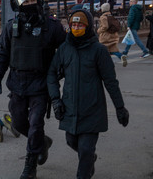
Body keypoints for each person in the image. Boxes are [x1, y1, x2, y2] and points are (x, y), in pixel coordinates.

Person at [0, 0, 66, 179]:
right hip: (17, 83)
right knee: (18, 123)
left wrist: (60, 72)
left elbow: (68, 52)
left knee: (35, 125)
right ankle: (43, 142)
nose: (30, 2)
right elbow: (2, 55)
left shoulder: (52, 27)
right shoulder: (11, 27)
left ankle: (30, 165)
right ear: (18, 2)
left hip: (41, 84)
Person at [47, 10, 129, 179]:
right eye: (73, 25)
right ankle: (90, 158)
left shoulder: (98, 50)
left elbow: (110, 81)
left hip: (92, 109)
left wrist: (120, 107)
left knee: (85, 149)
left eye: (80, 25)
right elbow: (51, 75)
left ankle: (85, 166)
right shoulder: (64, 49)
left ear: (88, 26)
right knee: (71, 141)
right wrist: (56, 100)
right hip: (69, 108)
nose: (76, 27)